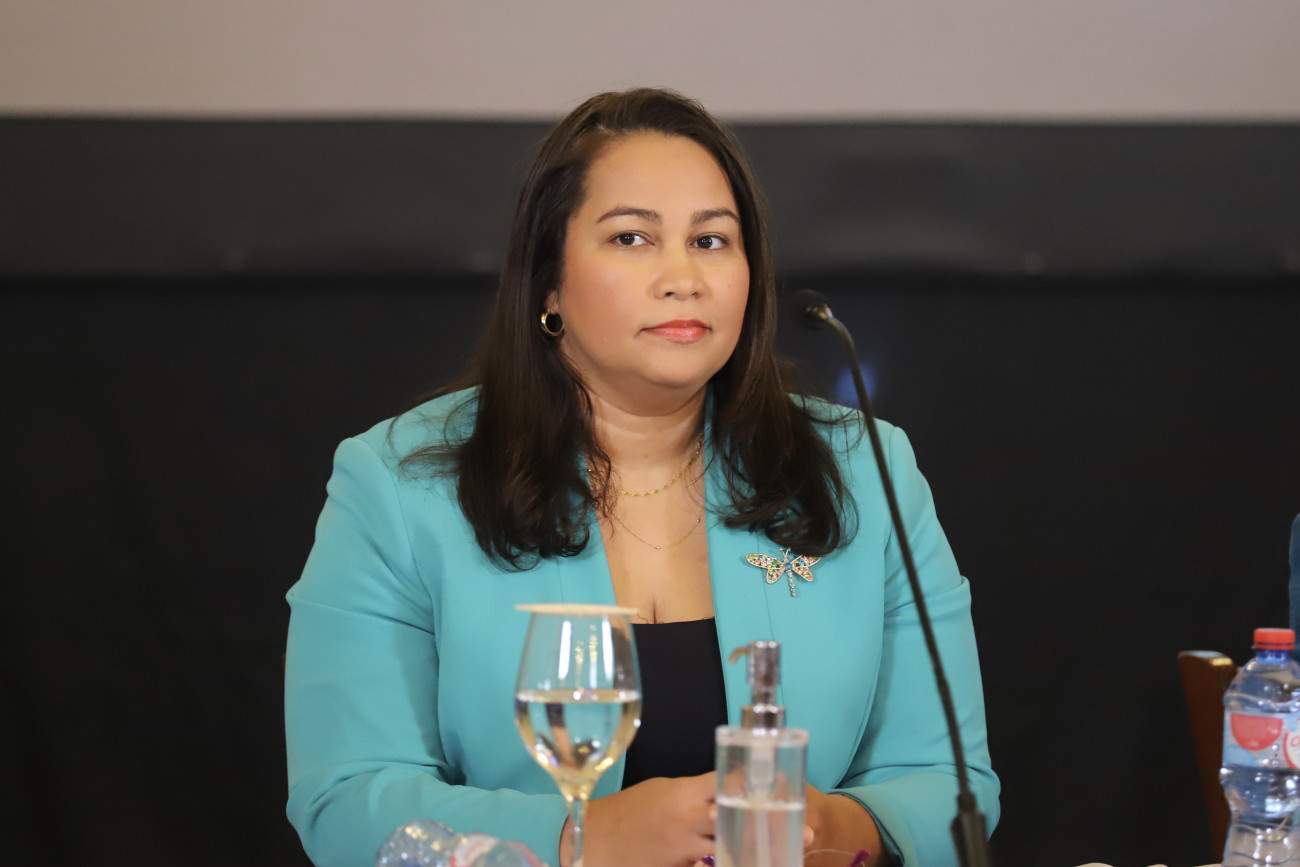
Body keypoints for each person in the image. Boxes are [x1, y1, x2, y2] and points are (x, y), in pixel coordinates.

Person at [285, 88, 999, 867]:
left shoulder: (862, 468)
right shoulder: (398, 484)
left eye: (711, 240)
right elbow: (346, 800)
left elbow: (950, 782)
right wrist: (586, 838)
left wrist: (832, 825)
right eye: (631, 238)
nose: (682, 277)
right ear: (549, 281)